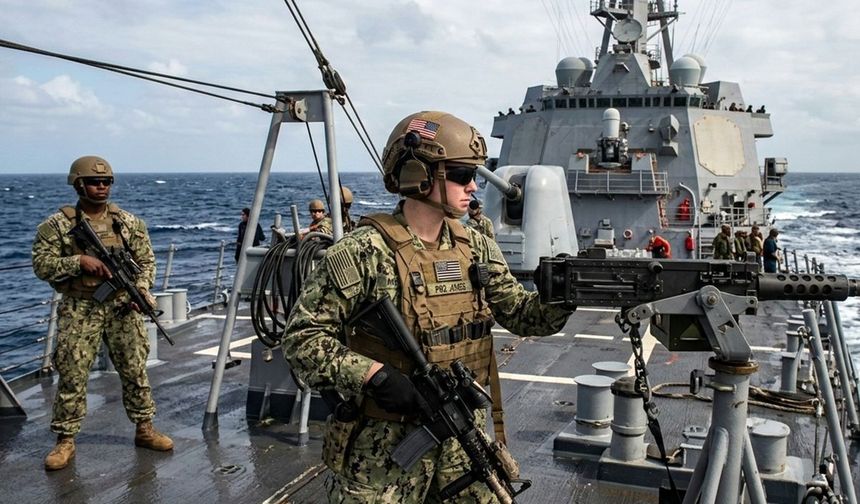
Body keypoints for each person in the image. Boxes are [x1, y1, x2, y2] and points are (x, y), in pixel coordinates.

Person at [282, 111, 573, 502]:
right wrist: (374, 376)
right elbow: (302, 339)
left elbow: (522, 315)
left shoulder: (477, 245)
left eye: (474, 174)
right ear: (419, 174)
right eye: (460, 174)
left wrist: (565, 294)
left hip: (461, 440)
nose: (472, 185)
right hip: (383, 455)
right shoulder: (365, 251)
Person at [32, 156, 173, 471]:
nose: (102, 187)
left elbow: (146, 261)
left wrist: (142, 292)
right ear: (79, 184)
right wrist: (78, 262)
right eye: (95, 182)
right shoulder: (57, 225)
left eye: (107, 181)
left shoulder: (127, 222)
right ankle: (65, 440)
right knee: (72, 372)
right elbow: (41, 264)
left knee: (135, 368)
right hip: (80, 306)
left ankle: (144, 429)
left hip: (122, 306)